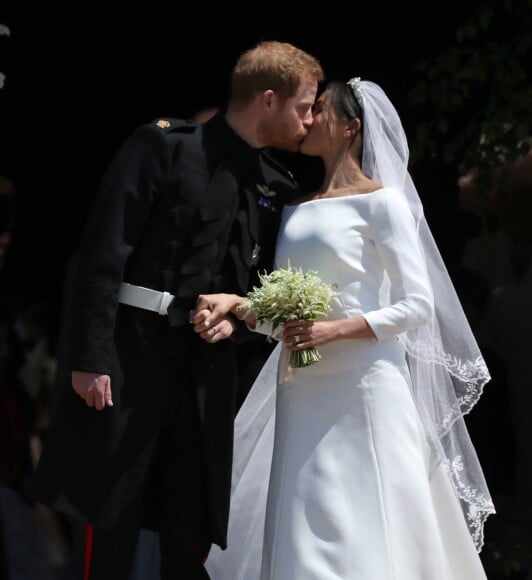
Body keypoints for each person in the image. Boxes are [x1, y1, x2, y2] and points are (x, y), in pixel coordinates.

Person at [32, 40, 324, 580]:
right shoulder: (164, 147)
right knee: (111, 521)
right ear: (268, 99)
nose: (310, 120)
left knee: (188, 533)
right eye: (304, 107)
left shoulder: (274, 186)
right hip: (128, 362)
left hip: (206, 379)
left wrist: (234, 325)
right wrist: (90, 357)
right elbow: (102, 253)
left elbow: (259, 295)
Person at [192, 79, 496, 579]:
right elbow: (292, 316)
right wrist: (241, 306)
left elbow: (416, 304)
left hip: (364, 383)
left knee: (369, 519)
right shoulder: (295, 205)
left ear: (351, 127)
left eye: (321, 111)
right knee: (302, 521)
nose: (308, 120)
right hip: (302, 384)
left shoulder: (383, 204)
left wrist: (335, 331)